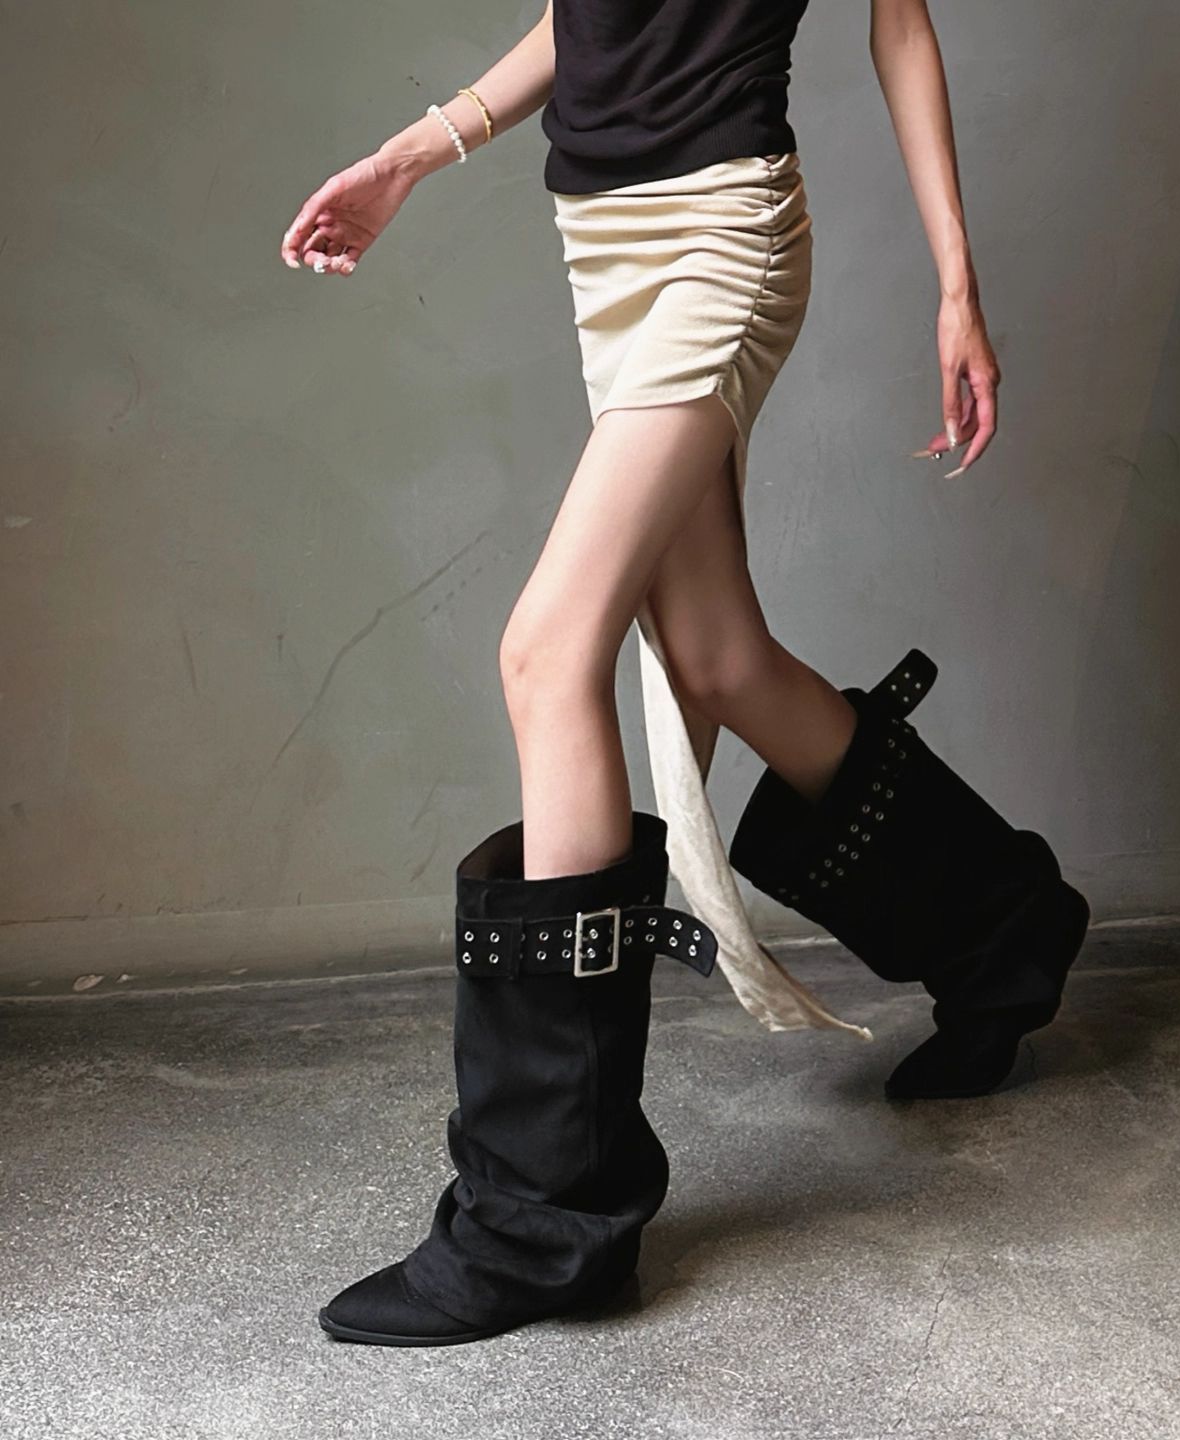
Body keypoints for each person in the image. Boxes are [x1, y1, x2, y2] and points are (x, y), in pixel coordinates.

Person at [281, 0, 1091, 1348]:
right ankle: (1001, 931)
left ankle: (547, 1217)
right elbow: (582, 19)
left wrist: (958, 284)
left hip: (724, 232)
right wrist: (410, 156)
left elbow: (899, 26)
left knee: (546, 652)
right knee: (714, 658)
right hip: (602, 239)